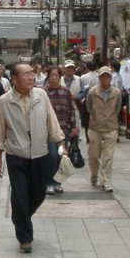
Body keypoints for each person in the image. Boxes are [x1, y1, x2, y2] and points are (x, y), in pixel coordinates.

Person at [0, 62, 66, 253]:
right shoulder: (4, 101)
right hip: (16, 154)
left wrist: (60, 142)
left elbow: (52, 119)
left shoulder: (41, 95)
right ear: (14, 79)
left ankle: (21, 216)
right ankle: (25, 237)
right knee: (19, 194)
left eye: (32, 73)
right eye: (26, 74)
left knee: (39, 193)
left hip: (40, 153)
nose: (31, 77)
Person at [86, 66, 122, 192]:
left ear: (110, 78)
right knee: (93, 155)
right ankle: (94, 174)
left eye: (107, 76)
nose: (105, 78)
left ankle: (105, 181)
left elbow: (117, 109)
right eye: (103, 76)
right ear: (99, 77)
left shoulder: (116, 93)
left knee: (108, 156)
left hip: (111, 127)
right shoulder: (92, 92)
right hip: (95, 126)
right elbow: (89, 107)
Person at [44, 65, 78, 195]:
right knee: (52, 155)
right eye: (51, 76)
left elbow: (71, 109)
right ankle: (49, 183)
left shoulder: (66, 92)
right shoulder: (43, 92)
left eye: (56, 76)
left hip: (64, 129)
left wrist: (74, 126)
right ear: (48, 77)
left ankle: (58, 183)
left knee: (61, 156)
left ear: (59, 77)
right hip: (49, 131)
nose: (54, 78)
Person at [79, 61, 99, 143]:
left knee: (87, 117)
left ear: (87, 67)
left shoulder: (83, 77)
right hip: (97, 97)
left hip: (86, 97)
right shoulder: (98, 76)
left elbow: (81, 89)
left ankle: (88, 136)